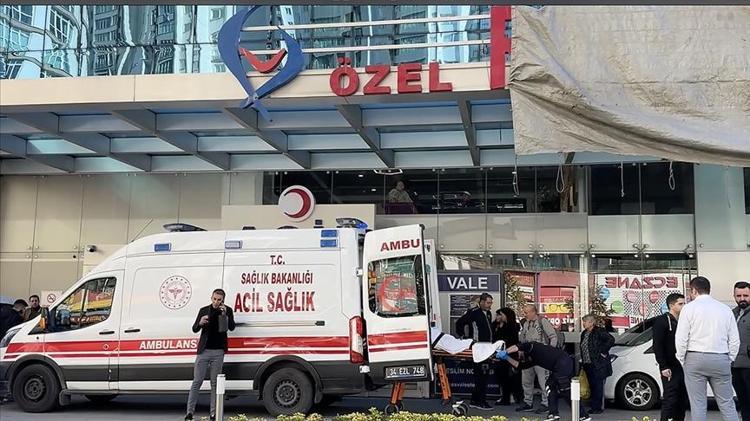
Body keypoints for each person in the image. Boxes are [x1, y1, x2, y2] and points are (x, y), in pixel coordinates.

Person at [675, 276, 740, 421]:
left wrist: (682, 358)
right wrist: (729, 358)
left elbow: (681, 338)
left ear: (694, 290)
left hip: (694, 357)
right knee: (727, 403)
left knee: (698, 404)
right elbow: (735, 340)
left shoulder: (688, 309)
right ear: (709, 289)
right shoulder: (725, 309)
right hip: (721, 357)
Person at [496, 342, 591, 421]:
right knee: (550, 386)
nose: (520, 356)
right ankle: (554, 414)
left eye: (519, 354)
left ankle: (583, 415)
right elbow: (520, 366)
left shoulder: (532, 346)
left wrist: (505, 351)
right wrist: (506, 357)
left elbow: (518, 346)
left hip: (562, 362)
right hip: (559, 366)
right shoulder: (532, 359)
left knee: (565, 390)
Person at [185, 289, 236, 421]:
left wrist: (225, 314)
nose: (216, 302)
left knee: (215, 384)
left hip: (218, 351)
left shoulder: (227, 310)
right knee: (197, 381)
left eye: (219, 300)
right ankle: (189, 413)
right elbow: (194, 328)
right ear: (211, 298)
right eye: (214, 299)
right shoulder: (204, 310)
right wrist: (200, 323)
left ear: (223, 300)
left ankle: (213, 414)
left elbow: (231, 327)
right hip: (204, 351)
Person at [455, 292, 494, 410]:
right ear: (481, 302)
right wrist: (463, 337)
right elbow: (460, 322)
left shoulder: (488, 313)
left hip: (487, 347)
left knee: (484, 375)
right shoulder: (473, 313)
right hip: (478, 347)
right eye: (488, 303)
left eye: (491, 303)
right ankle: (480, 401)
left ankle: (475, 400)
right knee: (481, 375)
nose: (490, 305)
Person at [652, 293, 688, 421]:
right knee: (670, 397)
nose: (683, 306)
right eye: (680, 304)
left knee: (682, 398)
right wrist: (663, 366)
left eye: (684, 303)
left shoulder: (683, 321)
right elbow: (657, 345)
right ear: (671, 305)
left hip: (682, 365)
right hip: (670, 366)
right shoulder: (662, 321)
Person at [517, 304, 557, 413]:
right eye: (524, 312)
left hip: (541, 355)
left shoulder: (542, 321)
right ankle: (527, 402)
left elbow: (553, 337)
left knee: (543, 381)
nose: (525, 315)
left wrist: (550, 352)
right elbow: (523, 339)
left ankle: (546, 403)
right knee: (526, 380)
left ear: (533, 312)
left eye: (527, 312)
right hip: (528, 356)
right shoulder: (526, 323)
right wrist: (520, 349)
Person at [579, 314, 614, 415]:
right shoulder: (584, 333)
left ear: (591, 323)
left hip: (598, 363)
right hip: (587, 363)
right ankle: (594, 406)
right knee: (592, 385)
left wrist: (602, 351)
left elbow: (611, 340)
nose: (583, 324)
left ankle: (597, 407)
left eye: (585, 322)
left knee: (598, 386)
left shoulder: (599, 331)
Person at [492, 307, 524, 406]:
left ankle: (510, 397)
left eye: (500, 314)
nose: (498, 317)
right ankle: (506, 396)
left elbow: (513, 341)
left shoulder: (512, 326)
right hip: (498, 354)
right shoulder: (495, 325)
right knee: (501, 376)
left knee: (510, 376)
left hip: (509, 354)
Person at [733, 281, 750, 421]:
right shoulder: (732, 313)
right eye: (739, 296)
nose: (742, 299)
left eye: (746, 295)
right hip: (734, 365)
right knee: (743, 401)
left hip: (749, 365)